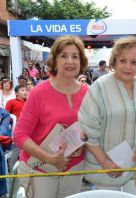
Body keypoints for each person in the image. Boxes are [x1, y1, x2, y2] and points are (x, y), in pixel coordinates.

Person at [78, 36, 136, 197]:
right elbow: (87, 129)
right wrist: (104, 162)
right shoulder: (100, 87)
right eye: (123, 60)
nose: (128, 67)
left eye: (133, 62)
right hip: (106, 167)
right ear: (114, 61)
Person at [13, 35, 89, 198]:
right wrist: (50, 158)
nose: (70, 61)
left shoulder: (87, 92)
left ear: (81, 61)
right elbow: (19, 135)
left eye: (75, 56)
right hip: (41, 168)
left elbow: (91, 127)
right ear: (54, 60)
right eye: (64, 55)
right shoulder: (38, 92)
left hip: (74, 168)